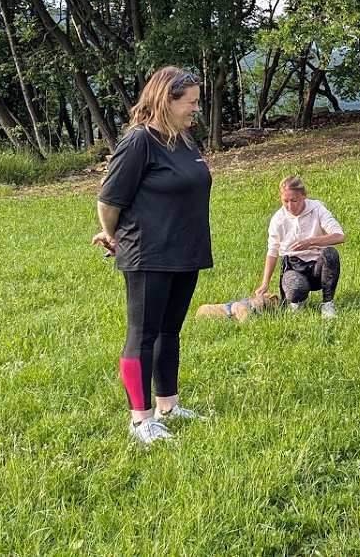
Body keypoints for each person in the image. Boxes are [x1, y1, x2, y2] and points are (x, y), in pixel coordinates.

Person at [92, 66, 213, 446]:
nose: (196, 108)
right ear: (166, 100)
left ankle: (168, 406)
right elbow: (108, 201)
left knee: (169, 330)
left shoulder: (184, 140)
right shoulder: (139, 141)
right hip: (148, 252)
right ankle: (140, 420)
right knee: (142, 334)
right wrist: (114, 236)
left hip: (185, 250)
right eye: (191, 101)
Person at [255, 176, 347, 318]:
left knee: (330, 254)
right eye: (285, 201)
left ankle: (327, 305)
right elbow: (272, 251)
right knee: (295, 290)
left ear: (304, 195)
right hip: (294, 267)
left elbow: (340, 236)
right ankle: (297, 301)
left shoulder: (317, 209)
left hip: (318, 268)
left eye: (294, 200)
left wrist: (311, 241)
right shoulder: (278, 219)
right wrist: (265, 283)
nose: (290, 206)